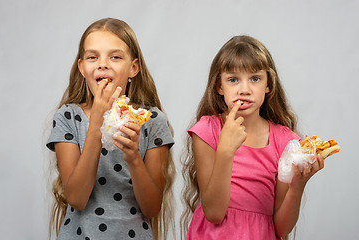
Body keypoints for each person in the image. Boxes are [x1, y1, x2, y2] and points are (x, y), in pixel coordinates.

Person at [181, 35, 325, 240]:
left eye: (255, 79)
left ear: (268, 85)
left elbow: (281, 229)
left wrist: (298, 186)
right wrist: (226, 151)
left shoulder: (286, 142)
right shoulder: (207, 131)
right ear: (219, 87)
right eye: (233, 80)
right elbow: (213, 213)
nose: (245, 90)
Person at [46, 18, 175, 240]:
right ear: (82, 68)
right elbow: (77, 198)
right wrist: (96, 122)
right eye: (92, 57)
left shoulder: (152, 120)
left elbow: (152, 208)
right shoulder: (68, 117)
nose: (103, 64)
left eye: (115, 57)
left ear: (133, 68)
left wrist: (134, 157)